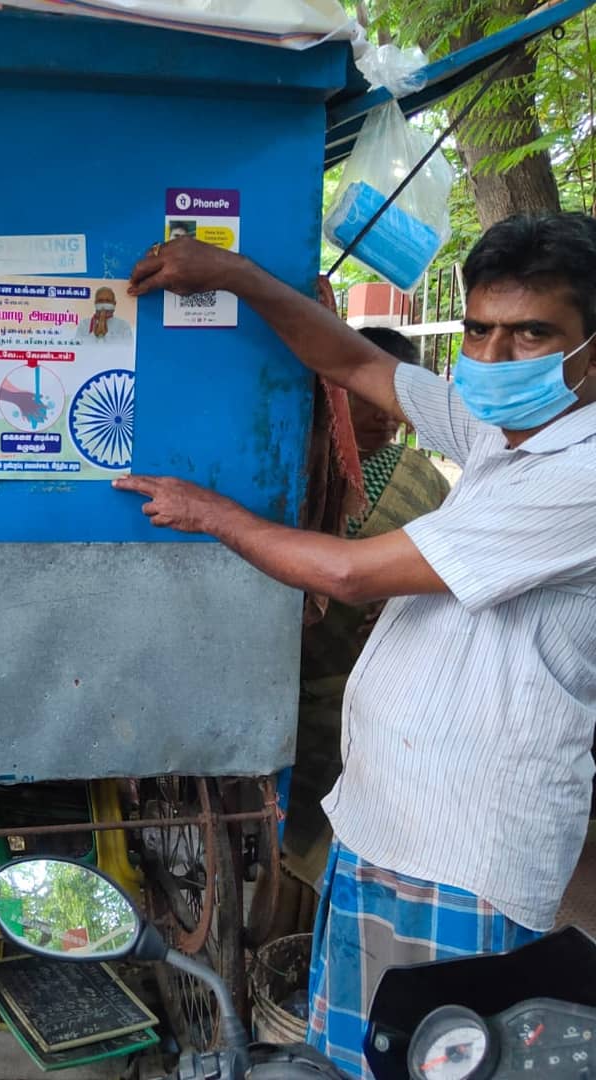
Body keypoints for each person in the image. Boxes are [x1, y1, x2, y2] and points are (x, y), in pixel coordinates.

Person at [116, 214, 596, 1078]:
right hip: (389, 825)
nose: (494, 356)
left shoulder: (580, 475)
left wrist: (210, 513)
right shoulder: (505, 436)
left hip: (463, 854)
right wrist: (240, 275)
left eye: (533, 333)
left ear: (590, 350)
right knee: (355, 1060)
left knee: (429, 1058)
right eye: (480, 328)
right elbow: (351, 362)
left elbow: (348, 575)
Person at [284, 326, 452, 893]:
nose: (386, 417)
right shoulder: (295, 475)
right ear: (335, 395)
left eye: (395, 405)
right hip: (300, 693)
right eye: (370, 399)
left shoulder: (424, 478)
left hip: (390, 694)